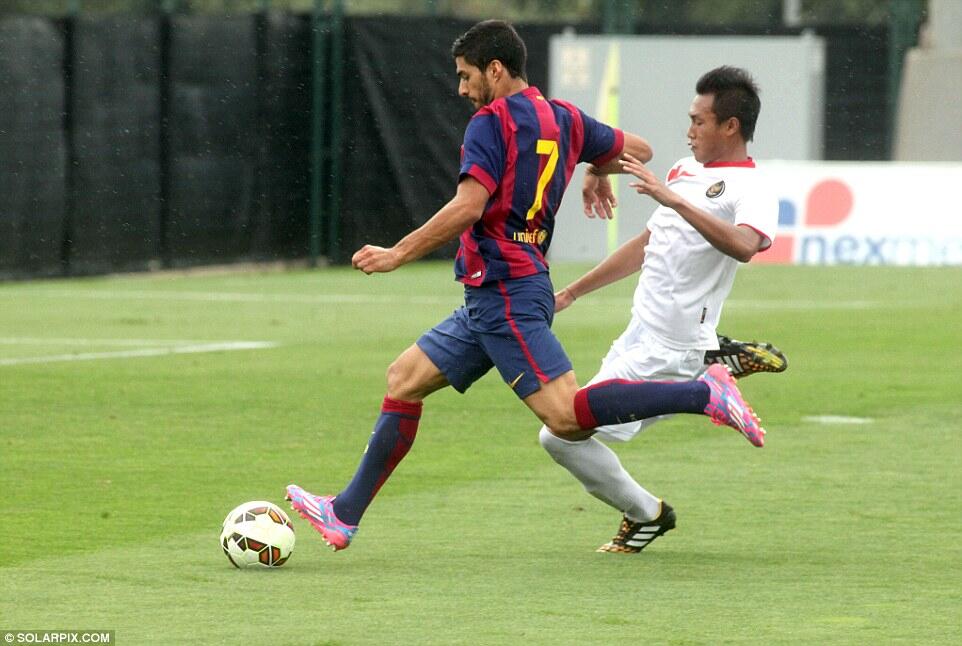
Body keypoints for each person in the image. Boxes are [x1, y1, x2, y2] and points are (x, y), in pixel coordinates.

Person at [285, 23, 764, 552]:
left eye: (467, 77)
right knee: (403, 378)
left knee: (563, 418)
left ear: (496, 69)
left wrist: (398, 252)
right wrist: (595, 168)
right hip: (497, 291)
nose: (462, 89)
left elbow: (469, 206)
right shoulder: (562, 117)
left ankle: (704, 392)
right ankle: (344, 514)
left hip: (507, 289)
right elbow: (640, 150)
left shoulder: (489, 124)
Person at [540, 65, 778, 554]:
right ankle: (716, 361)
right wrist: (573, 292)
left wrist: (674, 199)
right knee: (562, 432)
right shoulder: (683, 171)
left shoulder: (752, 188)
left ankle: (647, 507)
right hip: (639, 334)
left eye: (699, 121)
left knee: (560, 433)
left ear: (730, 127)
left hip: (670, 347)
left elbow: (745, 246)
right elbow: (649, 244)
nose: (689, 130)